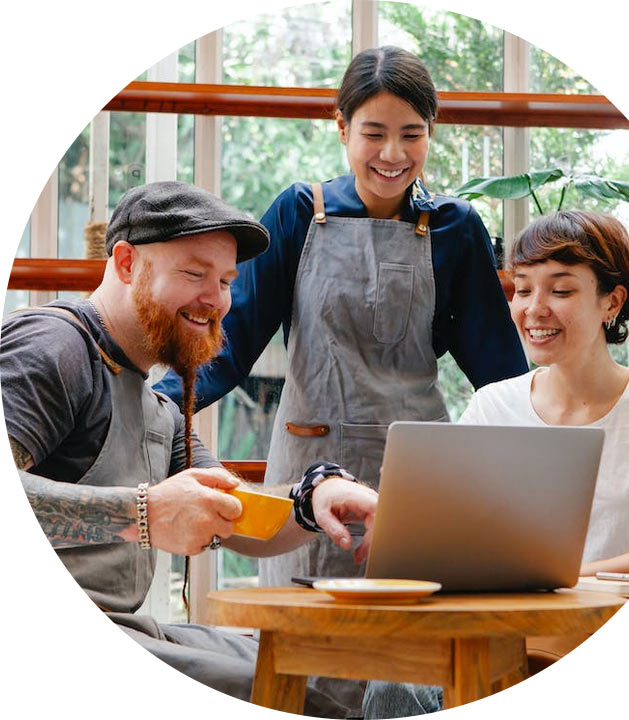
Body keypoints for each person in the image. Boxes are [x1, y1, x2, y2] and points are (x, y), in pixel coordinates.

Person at [155, 46, 528, 590]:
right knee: (306, 653)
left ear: (432, 131)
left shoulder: (457, 227)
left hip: (419, 475)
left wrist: (551, 458)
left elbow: (499, 373)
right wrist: (157, 404)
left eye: (412, 133)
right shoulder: (298, 212)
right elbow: (230, 345)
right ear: (342, 128)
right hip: (310, 473)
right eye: (374, 133)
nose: (393, 153)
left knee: (414, 657)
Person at [1, 181, 377, 715]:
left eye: (225, 281)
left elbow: (235, 513)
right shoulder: (54, 347)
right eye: (194, 273)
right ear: (127, 263)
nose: (217, 299)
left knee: (314, 671)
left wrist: (313, 496)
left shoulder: (157, 406)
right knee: (294, 698)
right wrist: (143, 512)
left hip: (127, 630)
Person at [362, 209, 629, 718]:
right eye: (523, 290)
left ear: (611, 302)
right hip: (508, 640)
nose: (534, 309)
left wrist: (574, 575)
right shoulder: (493, 405)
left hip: (619, 642)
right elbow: (453, 537)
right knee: (394, 683)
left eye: (562, 290)